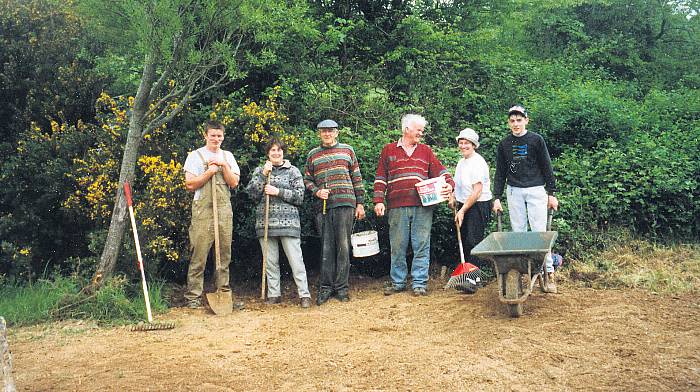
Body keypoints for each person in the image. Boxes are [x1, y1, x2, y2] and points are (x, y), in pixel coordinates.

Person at [373, 114, 455, 296]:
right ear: (406, 129)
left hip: (422, 206)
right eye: (418, 129)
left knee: (421, 244)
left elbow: (441, 172)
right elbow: (380, 178)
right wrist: (378, 200)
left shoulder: (426, 151)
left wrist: (449, 184)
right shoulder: (388, 150)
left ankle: (419, 283)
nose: (421, 133)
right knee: (398, 245)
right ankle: (398, 282)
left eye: (422, 130)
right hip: (396, 206)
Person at [492, 105, 559, 293]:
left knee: (539, 232)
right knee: (519, 234)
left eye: (519, 120)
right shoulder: (504, 144)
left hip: (536, 190)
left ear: (526, 120)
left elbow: (547, 166)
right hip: (514, 191)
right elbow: (500, 172)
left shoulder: (536, 140)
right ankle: (520, 275)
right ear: (509, 123)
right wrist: (496, 197)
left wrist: (551, 193)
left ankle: (548, 273)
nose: (516, 124)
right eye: (512, 121)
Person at [303, 119, 366, 306]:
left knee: (344, 247)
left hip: (346, 204)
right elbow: (307, 179)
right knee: (326, 248)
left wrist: (360, 203)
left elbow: (357, 177)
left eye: (330, 131)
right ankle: (325, 288)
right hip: (323, 207)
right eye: (323, 131)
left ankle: (342, 288)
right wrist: (317, 191)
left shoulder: (348, 150)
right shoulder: (313, 155)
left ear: (337, 132)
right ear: (319, 134)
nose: (327, 134)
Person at [246, 139, 312, 308]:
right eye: (272, 150)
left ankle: (304, 294)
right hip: (265, 223)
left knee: (296, 261)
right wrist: (262, 174)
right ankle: (274, 294)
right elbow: (252, 195)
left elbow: (299, 197)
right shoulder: (260, 171)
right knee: (270, 262)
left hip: (289, 224)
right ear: (268, 153)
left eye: (279, 150)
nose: (276, 153)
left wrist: (278, 191)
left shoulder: (293, 171)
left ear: (284, 152)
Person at [182, 120, 240, 308]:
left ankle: (223, 293)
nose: (216, 139)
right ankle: (193, 297)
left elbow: (234, 183)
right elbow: (190, 184)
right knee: (199, 253)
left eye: (219, 136)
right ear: (205, 135)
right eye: (212, 135)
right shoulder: (195, 156)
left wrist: (223, 166)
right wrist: (210, 171)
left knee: (224, 253)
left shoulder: (228, 156)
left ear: (223, 137)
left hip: (223, 210)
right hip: (202, 210)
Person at [448, 128, 492, 269]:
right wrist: (452, 197)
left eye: (467, 143)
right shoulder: (461, 162)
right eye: (461, 142)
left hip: (478, 205)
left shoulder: (477, 162)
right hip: (464, 204)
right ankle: (465, 271)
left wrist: (462, 211)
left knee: (473, 240)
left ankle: (474, 278)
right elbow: (457, 185)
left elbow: (477, 191)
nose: (463, 146)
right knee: (464, 239)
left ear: (474, 145)